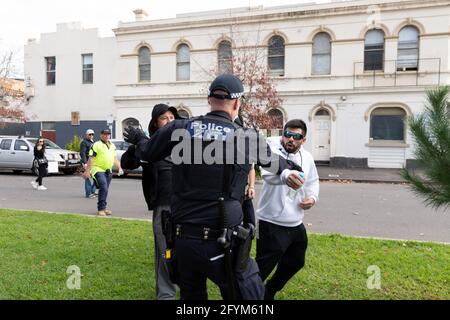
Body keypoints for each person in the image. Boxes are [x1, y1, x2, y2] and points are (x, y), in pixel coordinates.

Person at [124, 74, 304, 300]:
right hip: (224, 244)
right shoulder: (244, 137)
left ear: (209, 100)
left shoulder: (179, 128)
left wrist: (140, 137)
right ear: (237, 103)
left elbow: (147, 151)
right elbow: (276, 161)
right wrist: (289, 171)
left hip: (184, 241)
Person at [256, 119, 320, 300]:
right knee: (263, 267)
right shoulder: (272, 152)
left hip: (295, 223)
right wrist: (286, 176)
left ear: (303, 140)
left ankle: (270, 291)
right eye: (287, 135)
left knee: (296, 262)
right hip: (269, 222)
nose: (290, 139)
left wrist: (313, 198)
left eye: (296, 136)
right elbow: (268, 176)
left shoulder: (307, 157)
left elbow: (313, 181)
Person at [122, 104, 180, 300]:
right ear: (156, 123)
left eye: (173, 118)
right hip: (163, 206)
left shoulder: (186, 143)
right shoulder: (149, 145)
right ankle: (166, 294)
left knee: (186, 251)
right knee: (165, 251)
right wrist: (133, 149)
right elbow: (127, 164)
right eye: (165, 118)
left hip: (186, 206)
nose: (170, 121)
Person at [82, 129, 123, 216]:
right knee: (103, 186)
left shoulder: (112, 145)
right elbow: (91, 158)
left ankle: (104, 208)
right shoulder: (96, 145)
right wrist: (87, 171)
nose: (106, 136)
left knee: (105, 189)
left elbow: (115, 158)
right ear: (101, 135)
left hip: (108, 171)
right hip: (97, 169)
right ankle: (101, 209)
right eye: (104, 134)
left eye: (108, 134)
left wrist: (120, 168)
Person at [80, 129, 97, 198]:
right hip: (87, 162)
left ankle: (93, 191)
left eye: (92, 134)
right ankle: (88, 193)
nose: (91, 135)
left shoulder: (93, 142)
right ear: (86, 135)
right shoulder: (84, 142)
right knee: (88, 177)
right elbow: (82, 153)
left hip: (94, 162)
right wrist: (85, 163)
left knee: (95, 177)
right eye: (89, 134)